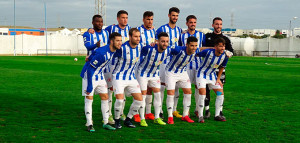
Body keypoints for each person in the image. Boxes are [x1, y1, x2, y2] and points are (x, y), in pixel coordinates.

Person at [80, 32, 122, 132]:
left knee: (105, 97)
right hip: (89, 76)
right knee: (89, 99)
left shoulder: (112, 50)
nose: (120, 43)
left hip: (99, 76)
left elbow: (95, 52)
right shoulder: (103, 53)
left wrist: (89, 57)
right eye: (118, 41)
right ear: (111, 41)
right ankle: (89, 124)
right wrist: (90, 85)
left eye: (121, 40)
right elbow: (90, 69)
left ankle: (106, 122)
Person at [136, 32, 170, 126]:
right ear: (157, 41)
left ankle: (157, 117)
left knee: (158, 94)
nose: (165, 43)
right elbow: (140, 52)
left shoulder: (168, 51)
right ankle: (142, 118)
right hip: (143, 73)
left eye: (166, 41)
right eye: (162, 41)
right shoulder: (149, 48)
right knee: (143, 95)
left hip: (154, 74)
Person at [112, 28, 143, 129]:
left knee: (139, 100)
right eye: (135, 36)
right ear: (130, 37)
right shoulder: (122, 48)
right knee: (120, 100)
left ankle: (128, 119)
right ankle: (117, 120)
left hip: (131, 77)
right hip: (118, 76)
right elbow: (110, 53)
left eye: (139, 36)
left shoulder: (141, 47)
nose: (138, 39)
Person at [203, 17, 234, 119]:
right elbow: (200, 48)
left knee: (220, 88)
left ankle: (219, 111)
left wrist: (228, 53)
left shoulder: (226, 39)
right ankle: (207, 110)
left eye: (220, 24)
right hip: (207, 68)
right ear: (213, 25)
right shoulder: (207, 37)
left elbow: (231, 52)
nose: (218, 26)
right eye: (216, 24)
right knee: (206, 90)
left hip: (220, 68)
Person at [104, 10, 131, 122]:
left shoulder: (129, 29)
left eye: (126, 17)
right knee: (110, 89)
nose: (125, 20)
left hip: (123, 65)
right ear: (118, 19)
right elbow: (100, 32)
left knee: (122, 89)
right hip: (111, 64)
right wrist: (91, 30)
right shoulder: (111, 29)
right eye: (122, 17)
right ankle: (109, 114)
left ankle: (121, 113)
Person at [179, 15, 209, 118]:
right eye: (191, 22)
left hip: (198, 66)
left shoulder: (201, 35)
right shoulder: (182, 35)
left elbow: (203, 48)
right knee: (186, 89)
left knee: (198, 88)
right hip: (186, 66)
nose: (193, 24)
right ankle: (186, 111)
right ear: (187, 23)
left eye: (194, 22)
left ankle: (197, 109)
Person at [156, 7, 182, 119]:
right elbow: (155, 42)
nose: (175, 18)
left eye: (176, 16)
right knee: (162, 87)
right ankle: (160, 110)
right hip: (163, 62)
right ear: (169, 15)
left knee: (175, 88)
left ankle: (174, 109)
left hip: (174, 63)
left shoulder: (180, 30)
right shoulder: (161, 29)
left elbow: (180, 45)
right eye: (173, 15)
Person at [165, 36, 199, 124]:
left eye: (195, 46)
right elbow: (165, 48)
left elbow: (205, 50)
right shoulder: (178, 50)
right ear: (187, 45)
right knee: (171, 93)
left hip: (182, 73)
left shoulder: (196, 51)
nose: (194, 48)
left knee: (188, 92)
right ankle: (170, 116)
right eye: (192, 46)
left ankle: (185, 115)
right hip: (171, 72)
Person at [195, 37, 230, 123]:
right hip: (201, 75)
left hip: (212, 76)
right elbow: (196, 53)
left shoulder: (225, 56)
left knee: (220, 93)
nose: (222, 48)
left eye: (223, 46)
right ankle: (200, 116)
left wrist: (218, 79)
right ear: (215, 47)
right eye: (220, 46)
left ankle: (217, 115)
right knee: (203, 94)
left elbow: (222, 67)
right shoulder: (207, 52)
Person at [134, 11, 156, 122]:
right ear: (143, 20)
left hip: (150, 65)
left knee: (149, 90)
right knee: (139, 90)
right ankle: (136, 113)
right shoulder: (138, 31)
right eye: (148, 19)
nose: (150, 21)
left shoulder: (154, 31)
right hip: (139, 64)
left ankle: (148, 112)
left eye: (151, 19)